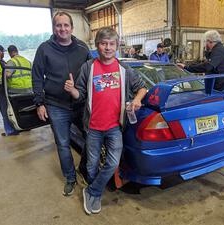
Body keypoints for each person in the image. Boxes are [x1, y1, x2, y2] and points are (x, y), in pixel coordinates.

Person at [64, 27, 147, 215]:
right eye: (103, 44)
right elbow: (80, 95)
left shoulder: (124, 69)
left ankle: (92, 191)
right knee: (92, 165)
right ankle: (95, 194)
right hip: (93, 127)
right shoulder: (88, 67)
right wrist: (71, 90)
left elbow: (142, 88)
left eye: (111, 44)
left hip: (114, 127)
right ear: (97, 46)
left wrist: (137, 99)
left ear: (117, 46)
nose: (107, 48)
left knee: (112, 163)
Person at [32, 11, 92, 196]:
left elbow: (92, 74)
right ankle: (70, 177)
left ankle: (83, 168)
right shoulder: (44, 49)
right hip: (56, 105)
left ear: (72, 28)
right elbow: (36, 77)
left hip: (80, 104)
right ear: (54, 28)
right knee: (63, 143)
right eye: (59, 25)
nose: (63, 29)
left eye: (66, 25)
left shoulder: (82, 48)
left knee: (92, 139)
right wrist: (39, 103)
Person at [0, 45, 18, 136]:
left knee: (9, 109)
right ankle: (9, 130)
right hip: (1, 89)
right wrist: (5, 84)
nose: (4, 54)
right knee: (5, 110)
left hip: (5, 89)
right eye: (3, 52)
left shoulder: (0, 61)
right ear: (0, 52)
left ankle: (14, 128)